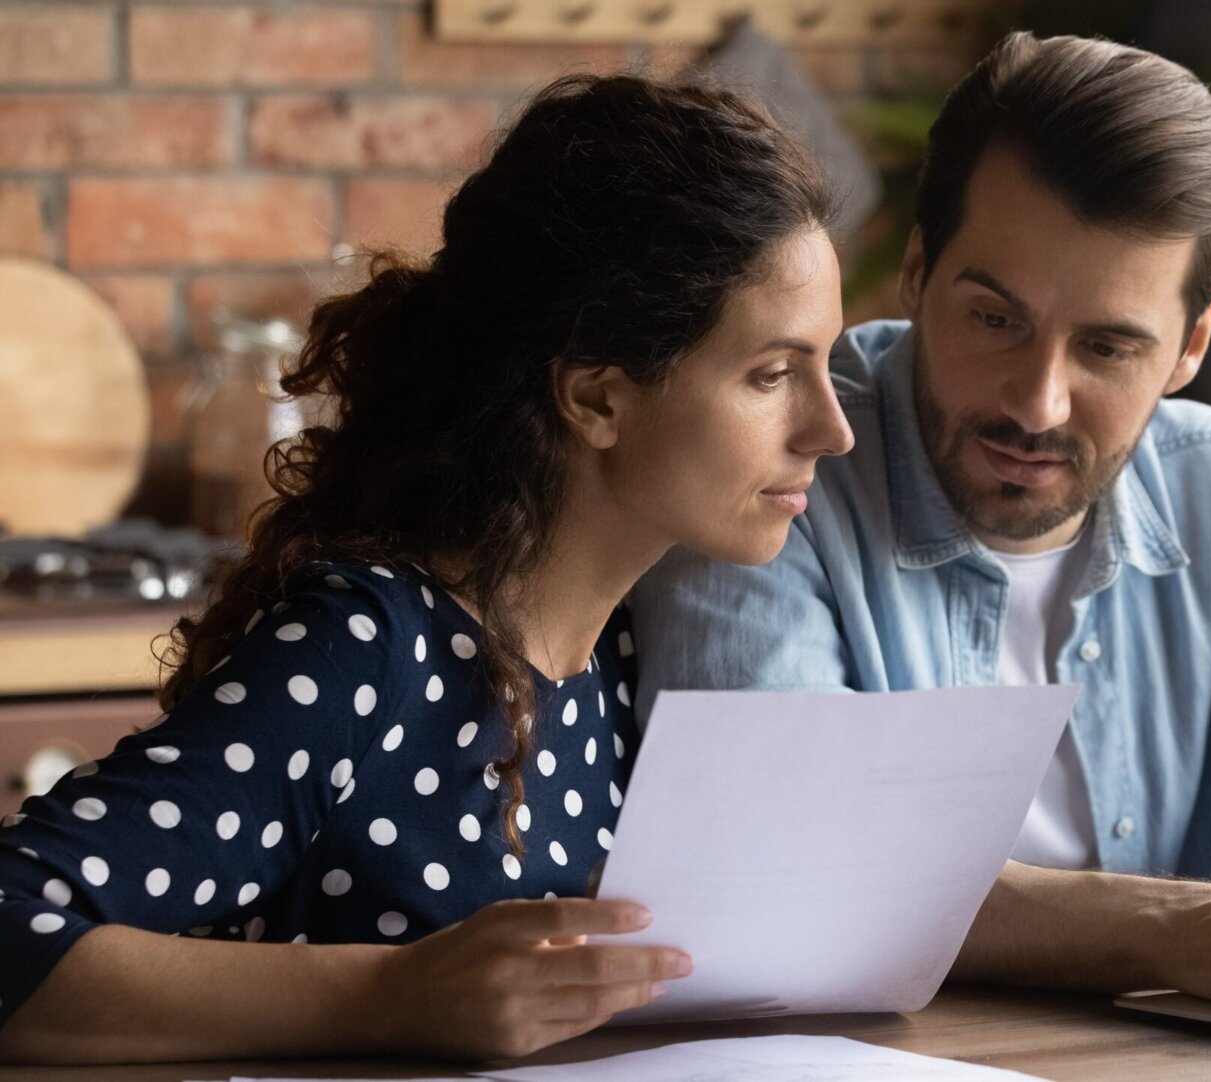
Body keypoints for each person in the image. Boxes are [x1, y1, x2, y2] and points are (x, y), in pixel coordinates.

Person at [0, 73, 854, 1064]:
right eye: (772, 374)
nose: (829, 430)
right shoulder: (365, 653)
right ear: (598, 398)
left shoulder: (630, 647)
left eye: (826, 366)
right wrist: (391, 989)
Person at [629, 32, 1211, 1008]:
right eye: (995, 319)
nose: (1037, 402)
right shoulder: (776, 476)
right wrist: (1181, 930)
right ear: (917, 270)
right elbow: (788, 865)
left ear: (1190, 346)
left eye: (1109, 348)